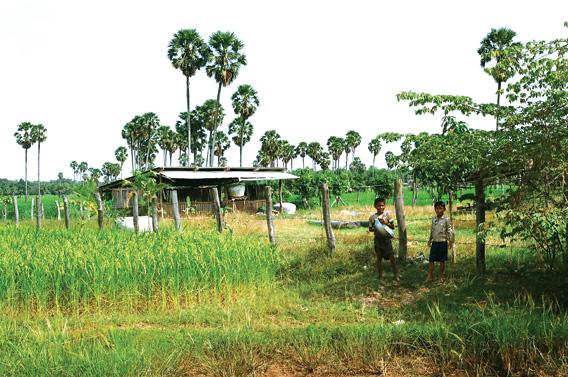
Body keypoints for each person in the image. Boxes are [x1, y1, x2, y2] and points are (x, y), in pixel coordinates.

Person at [368, 197, 398, 282]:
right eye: (378, 206)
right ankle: (380, 276)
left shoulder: (387, 215)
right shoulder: (372, 217)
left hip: (387, 239)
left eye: (382, 205)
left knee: (392, 257)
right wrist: (377, 228)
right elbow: (370, 229)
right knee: (379, 258)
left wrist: (386, 223)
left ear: (384, 206)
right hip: (378, 240)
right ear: (375, 206)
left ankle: (396, 275)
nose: (380, 207)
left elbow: (392, 227)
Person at [426, 201, 455, 282]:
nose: (438, 210)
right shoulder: (433, 219)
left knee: (442, 260)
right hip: (435, 242)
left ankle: (441, 276)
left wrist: (450, 241)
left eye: (440, 208)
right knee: (431, 259)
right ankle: (430, 276)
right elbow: (432, 230)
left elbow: (449, 231)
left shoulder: (446, 219)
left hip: (443, 242)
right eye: (437, 208)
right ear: (435, 209)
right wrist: (430, 240)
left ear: (444, 209)